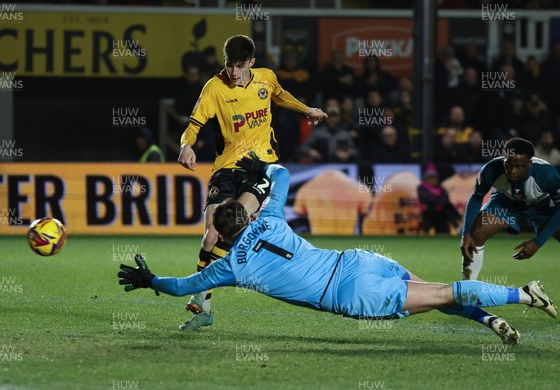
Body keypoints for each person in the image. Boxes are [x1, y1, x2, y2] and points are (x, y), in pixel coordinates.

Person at [118, 158, 558, 345]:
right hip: (357, 259)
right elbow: (283, 172)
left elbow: (183, 286)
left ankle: (524, 294)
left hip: (352, 295)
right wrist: (258, 171)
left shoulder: (229, 267)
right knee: (435, 292)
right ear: (246, 219)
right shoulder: (268, 219)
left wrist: (149, 280)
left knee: (444, 293)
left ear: (222, 236)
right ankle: (492, 318)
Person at [177, 35, 327, 330]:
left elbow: (281, 95)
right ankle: (205, 311)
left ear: (252, 63)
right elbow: (192, 127)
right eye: (229, 65)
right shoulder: (214, 87)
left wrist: (307, 110)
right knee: (210, 236)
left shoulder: (266, 79)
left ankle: (201, 294)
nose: (233, 72)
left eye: (239, 65)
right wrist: (186, 146)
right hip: (225, 168)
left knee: (231, 224)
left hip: (260, 166)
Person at [460, 138, 560, 280]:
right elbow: (477, 197)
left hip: (541, 206)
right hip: (506, 203)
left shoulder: (549, 175)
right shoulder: (490, 170)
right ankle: (467, 289)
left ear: (530, 163)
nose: (512, 171)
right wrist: (466, 233)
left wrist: (538, 242)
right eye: (508, 165)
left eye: (519, 167)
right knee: (475, 234)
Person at [417, 165, 461, 234]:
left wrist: (438, 202)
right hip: (428, 213)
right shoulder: (422, 188)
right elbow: (427, 199)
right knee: (446, 208)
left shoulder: (441, 188)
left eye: (434, 178)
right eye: (430, 178)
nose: (433, 180)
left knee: (448, 208)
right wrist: (439, 202)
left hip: (441, 213)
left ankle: (458, 227)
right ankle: (457, 225)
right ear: (426, 179)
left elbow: (445, 199)